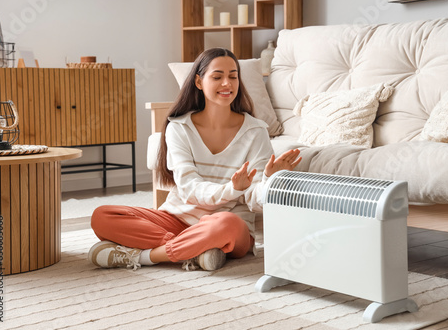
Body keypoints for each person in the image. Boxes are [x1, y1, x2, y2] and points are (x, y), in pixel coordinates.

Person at [88, 48, 301, 271]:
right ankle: (199, 250)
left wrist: (269, 179)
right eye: (217, 77)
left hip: (226, 224)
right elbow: (189, 188)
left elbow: (255, 203)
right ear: (199, 82)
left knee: (225, 225)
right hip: (177, 220)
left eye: (233, 76)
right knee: (103, 215)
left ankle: (145, 256)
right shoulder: (179, 127)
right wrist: (230, 189)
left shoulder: (256, 131)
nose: (227, 83)